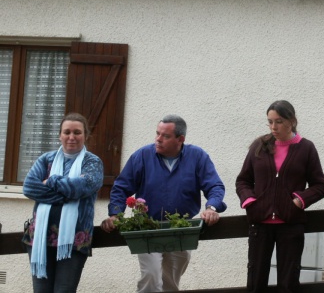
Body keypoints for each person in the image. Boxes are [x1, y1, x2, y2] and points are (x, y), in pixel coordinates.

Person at [101, 114, 227, 292]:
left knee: (170, 284)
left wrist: (211, 207)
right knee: (151, 277)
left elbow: (215, 185)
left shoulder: (197, 156)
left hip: (182, 229)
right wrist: (115, 214)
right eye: (157, 133)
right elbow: (121, 187)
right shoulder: (142, 156)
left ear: (180, 139)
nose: (158, 139)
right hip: (147, 229)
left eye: (165, 136)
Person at [236, 100, 324, 293]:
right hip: (260, 225)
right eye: (269, 121)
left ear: (291, 121)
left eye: (278, 121)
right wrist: (251, 201)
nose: (273, 127)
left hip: (291, 225)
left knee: (288, 282)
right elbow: (243, 181)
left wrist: (299, 200)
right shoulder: (259, 146)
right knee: (255, 281)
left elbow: (320, 186)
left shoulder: (306, 148)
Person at [22, 112, 104, 293]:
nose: (72, 137)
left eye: (77, 132)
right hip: (40, 240)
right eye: (67, 132)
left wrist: (50, 181)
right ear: (60, 135)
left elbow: (82, 187)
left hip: (74, 242)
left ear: (86, 135)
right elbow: (29, 187)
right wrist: (66, 195)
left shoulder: (93, 162)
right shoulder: (46, 159)